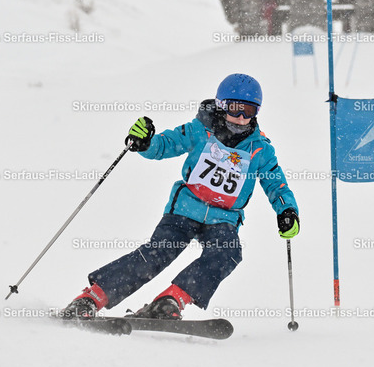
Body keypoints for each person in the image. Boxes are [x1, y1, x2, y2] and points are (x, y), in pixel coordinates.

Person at [61, 74, 300, 320]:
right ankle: (92, 298)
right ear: (221, 105)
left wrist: (287, 210)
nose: (241, 117)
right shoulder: (200, 130)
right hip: (185, 209)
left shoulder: (260, 148)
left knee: (227, 253)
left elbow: (277, 184)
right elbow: (166, 145)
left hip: (223, 218)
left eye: (248, 111)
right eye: (234, 109)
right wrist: (145, 143)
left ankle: (171, 300)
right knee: (158, 252)